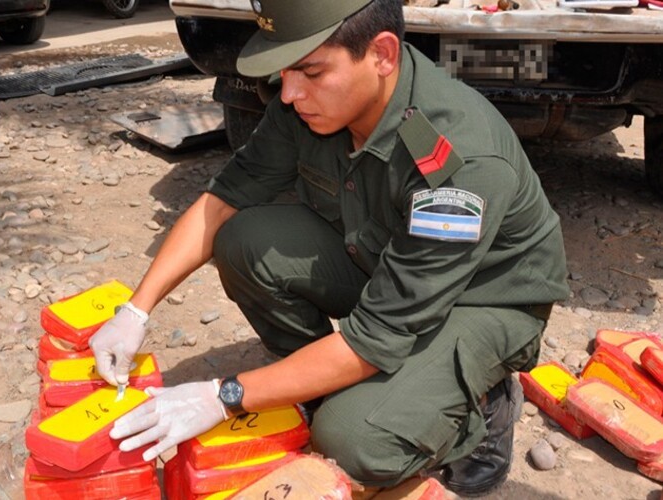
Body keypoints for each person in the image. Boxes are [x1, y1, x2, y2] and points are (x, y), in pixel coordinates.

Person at [88, 0, 569, 495]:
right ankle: (330, 388)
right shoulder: (307, 101)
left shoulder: (456, 158)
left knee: (352, 438)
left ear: (382, 55)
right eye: (285, 70)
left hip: (483, 298)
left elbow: (379, 334)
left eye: (312, 72)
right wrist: (136, 311)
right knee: (243, 242)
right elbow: (224, 201)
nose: (290, 93)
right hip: (390, 263)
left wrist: (224, 395)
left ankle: (481, 408)